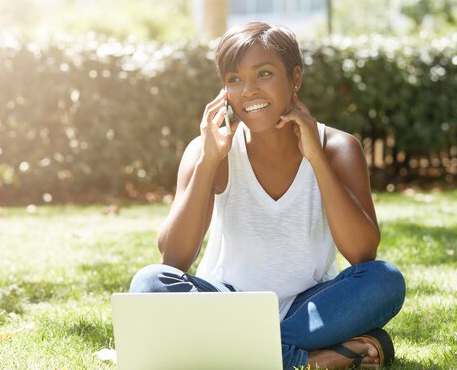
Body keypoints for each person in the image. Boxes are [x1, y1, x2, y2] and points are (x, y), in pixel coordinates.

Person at [130, 22, 406, 370]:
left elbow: (363, 253)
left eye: (263, 73)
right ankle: (312, 359)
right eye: (234, 79)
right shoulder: (208, 151)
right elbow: (173, 258)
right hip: (225, 301)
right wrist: (208, 161)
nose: (248, 90)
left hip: (310, 307)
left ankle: (228, 352)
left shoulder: (337, 148)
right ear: (223, 90)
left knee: (386, 279)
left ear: (295, 78)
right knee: (149, 282)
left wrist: (316, 159)